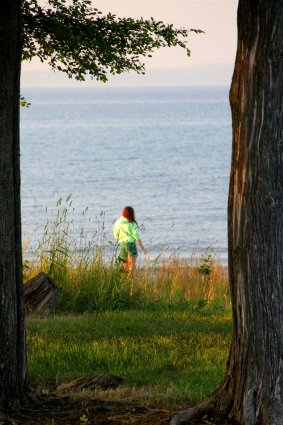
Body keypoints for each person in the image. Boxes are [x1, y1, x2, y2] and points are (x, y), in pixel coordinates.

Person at [113, 206, 147, 272]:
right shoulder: (132, 223)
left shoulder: (117, 223)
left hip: (122, 244)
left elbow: (116, 234)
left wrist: (119, 238)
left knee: (125, 265)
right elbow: (136, 237)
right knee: (132, 266)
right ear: (132, 214)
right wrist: (143, 248)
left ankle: (125, 280)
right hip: (131, 244)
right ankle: (132, 280)